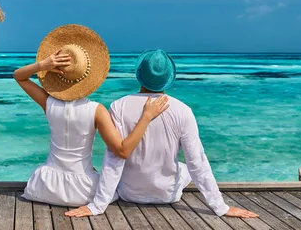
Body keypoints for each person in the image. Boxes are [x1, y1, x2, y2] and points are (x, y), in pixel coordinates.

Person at [66, 49, 259, 219]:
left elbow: (113, 159)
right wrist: (221, 207)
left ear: (139, 75)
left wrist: (98, 205)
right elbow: (197, 163)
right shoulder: (182, 110)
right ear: (169, 78)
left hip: (129, 192)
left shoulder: (119, 106)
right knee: (186, 166)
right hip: (168, 195)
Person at [14, 25, 169, 207]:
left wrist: (42, 65)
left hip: (44, 187)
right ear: (88, 76)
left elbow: (19, 76)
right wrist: (146, 117)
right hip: (82, 191)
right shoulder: (96, 110)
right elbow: (122, 150)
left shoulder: (48, 104)